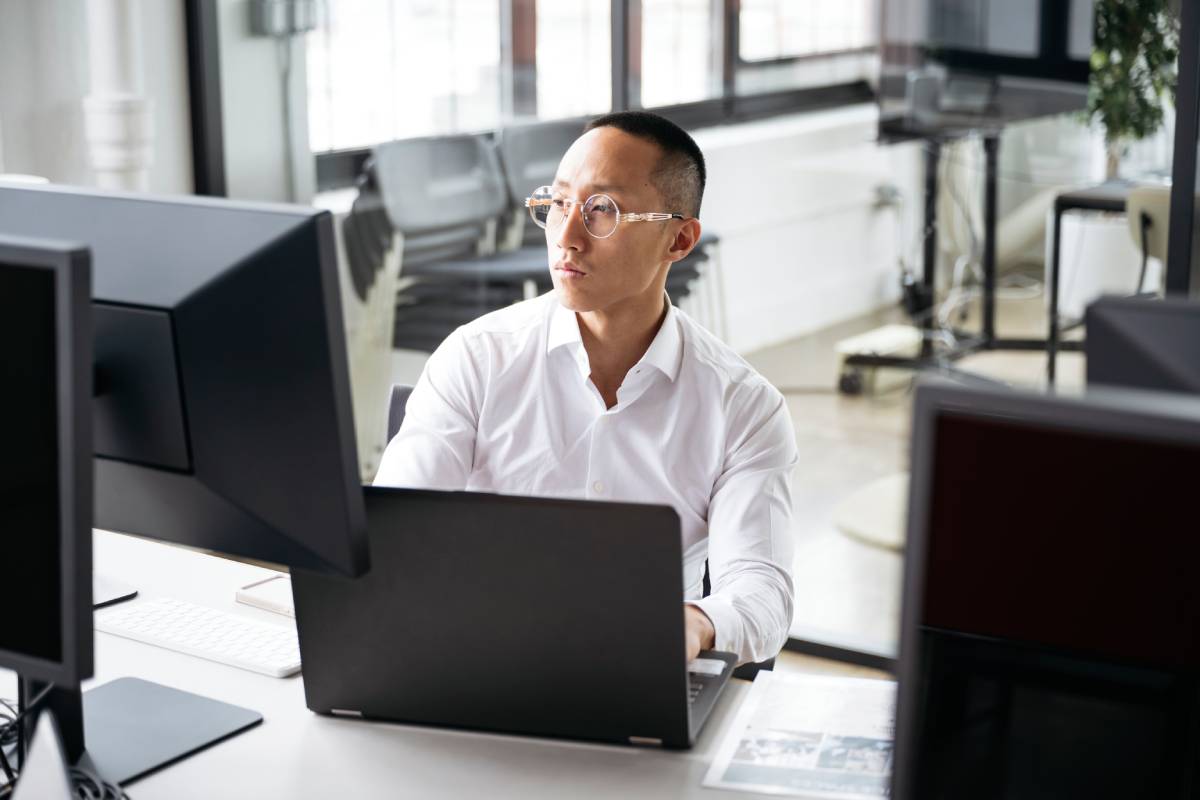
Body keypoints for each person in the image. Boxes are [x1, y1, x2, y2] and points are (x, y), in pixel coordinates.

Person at [374, 111, 797, 665]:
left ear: (679, 238)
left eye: (603, 210)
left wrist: (695, 623)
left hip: (638, 667)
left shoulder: (744, 407)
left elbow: (762, 591)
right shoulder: (477, 357)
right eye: (558, 204)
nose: (567, 238)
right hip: (478, 655)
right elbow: (395, 533)